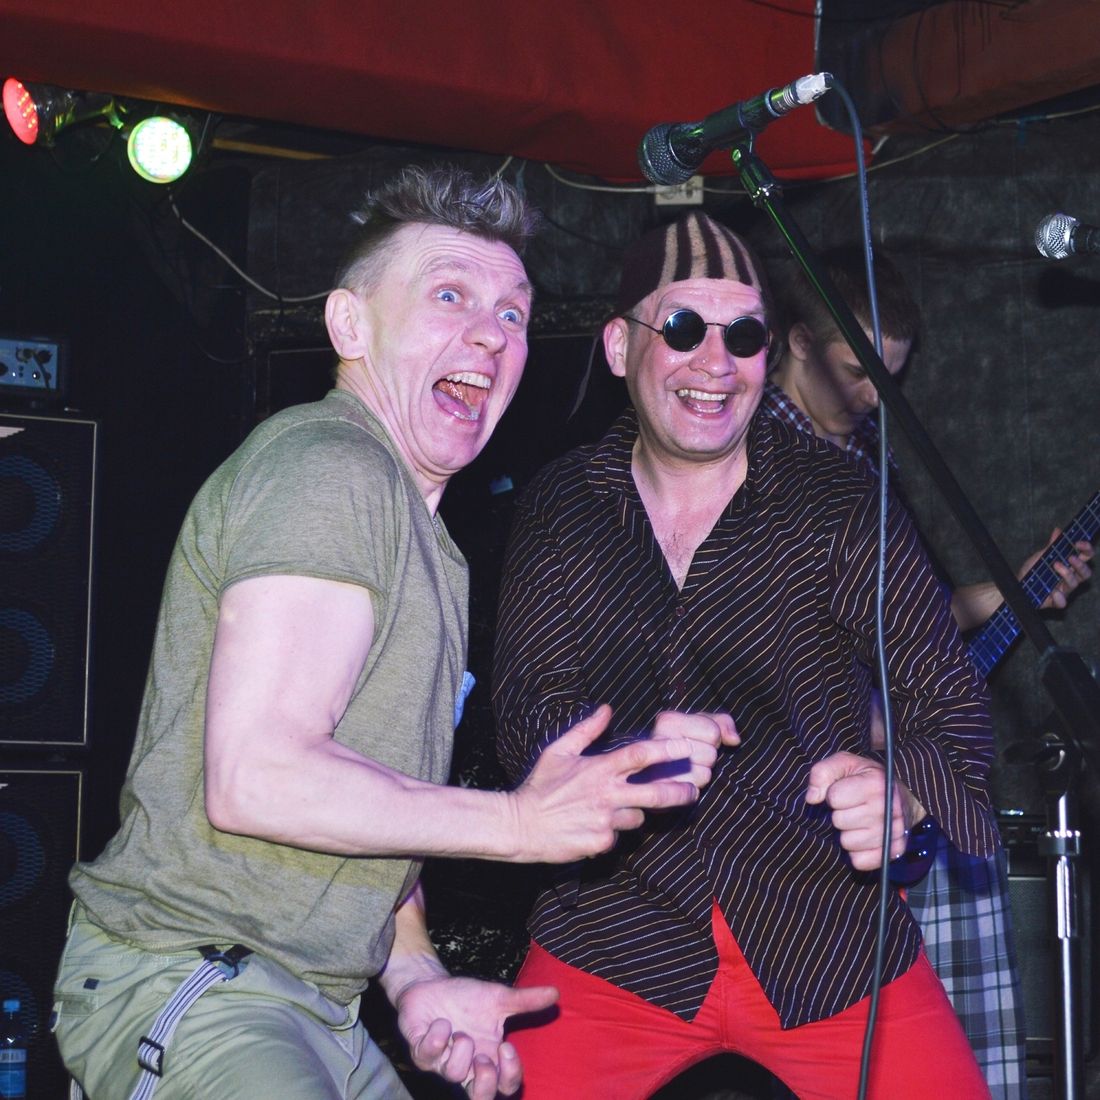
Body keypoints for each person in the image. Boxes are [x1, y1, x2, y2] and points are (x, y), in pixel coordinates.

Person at [50, 166, 713, 1100]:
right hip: (198, 978)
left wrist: (414, 974)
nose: (491, 332)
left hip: (319, 1004)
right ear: (350, 326)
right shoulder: (332, 465)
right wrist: (519, 822)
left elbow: (367, 800)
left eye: (514, 313)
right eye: (450, 295)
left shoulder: (427, 541)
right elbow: (259, 778)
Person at [492, 211, 1002, 1099]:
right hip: (617, 931)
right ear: (619, 345)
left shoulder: (841, 503)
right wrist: (633, 756)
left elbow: (949, 704)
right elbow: (526, 713)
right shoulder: (562, 504)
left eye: (745, 334)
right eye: (684, 327)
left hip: (826, 933)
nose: (716, 361)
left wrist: (905, 791)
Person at [766, 245, 1093, 1100]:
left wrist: (1015, 589)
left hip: (905, 787)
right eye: (858, 373)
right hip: (817, 809)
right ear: (797, 344)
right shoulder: (756, 459)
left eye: (888, 378)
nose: (876, 397)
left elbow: (907, 616)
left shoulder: (862, 456)